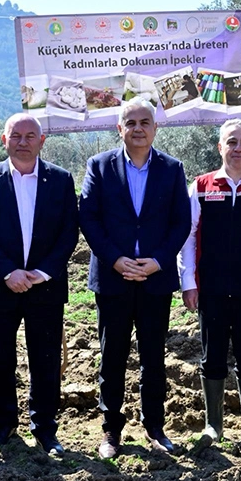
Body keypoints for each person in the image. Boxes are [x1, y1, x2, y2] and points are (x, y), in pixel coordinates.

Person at [79, 98, 191, 458]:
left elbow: (181, 222)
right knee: (112, 356)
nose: (138, 128)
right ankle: (111, 431)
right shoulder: (99, 166)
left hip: (154, 279)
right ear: (120, 128)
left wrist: (158, 261)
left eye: (145, 122)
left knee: (154, 357)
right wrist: (115, 260)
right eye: (131, 122)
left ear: (156, 128)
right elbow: (89, 218)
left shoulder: (173, 169)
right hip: (114, 279)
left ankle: (155, 428)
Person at [0, 114, 78, 455]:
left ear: (42, 141)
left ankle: (45, 428)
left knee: (45, 360)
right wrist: (8, 272)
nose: (23, 141)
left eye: (31, 135)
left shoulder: (60, 180)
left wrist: (43, 272)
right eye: (16, 135)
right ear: (4, 140)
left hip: (44, 287)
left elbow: (68, 232)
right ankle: (3, 425)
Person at [178, 119, 241, 452]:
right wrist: (188, 282)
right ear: (220, 146)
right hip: (210, 288)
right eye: (231, 142)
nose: (238, 149)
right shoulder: (202, 186)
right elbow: (188, 237)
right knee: (212, 355)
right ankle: (213, 426)